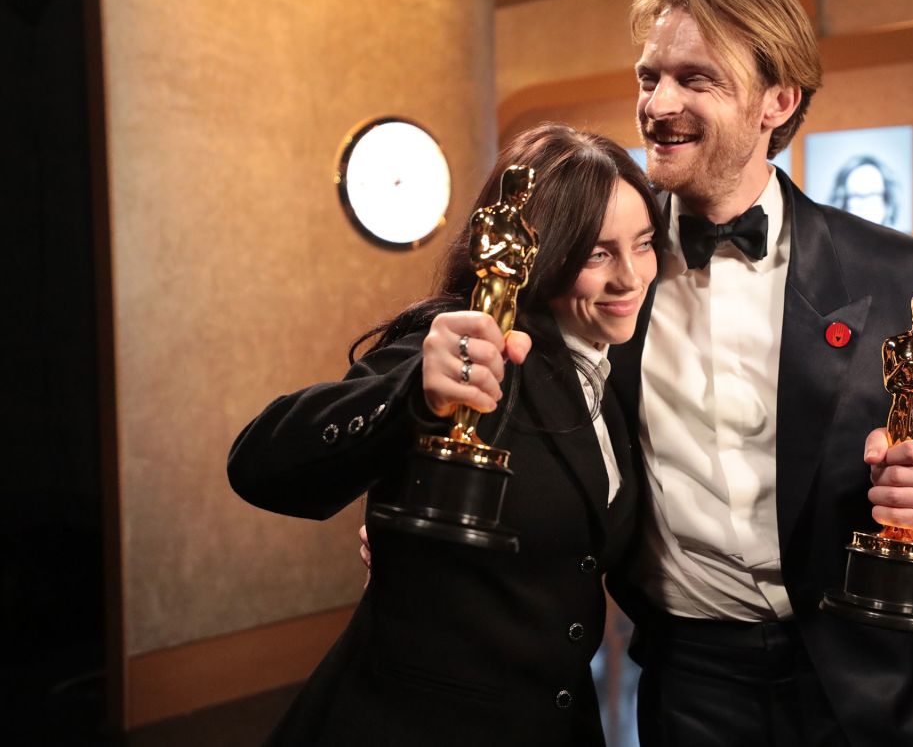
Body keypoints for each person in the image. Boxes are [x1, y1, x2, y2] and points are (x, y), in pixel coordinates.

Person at [362, 0, 913, 746]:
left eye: (695, 79)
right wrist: (411, 505)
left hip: (873, 674)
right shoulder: (598, 265)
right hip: (691, 678)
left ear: (777, 102)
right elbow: (512, 403)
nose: (658, 105)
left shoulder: (894, 267)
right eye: (649, 77)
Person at [228, 123, 663, 746]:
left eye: (643, 244)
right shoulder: (470, 349)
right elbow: (258, 464)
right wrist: (413, 397)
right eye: (597, 254)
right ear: (539, 254)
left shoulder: (609, 372)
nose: (631, 276)